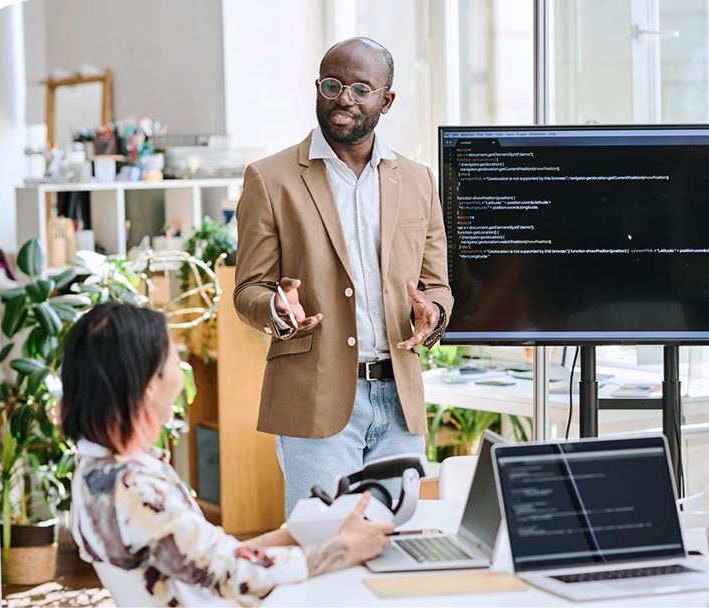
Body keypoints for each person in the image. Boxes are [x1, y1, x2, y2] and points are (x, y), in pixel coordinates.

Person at [234, 37, 453, 514]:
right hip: (315, 399)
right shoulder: (270, 179)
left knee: (397, 545)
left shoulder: (417, 180)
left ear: (386, 100)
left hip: (399, 401)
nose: (343, 100)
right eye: (331, 85)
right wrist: (276, 306)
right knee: (323, 549)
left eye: (360, 89)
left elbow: (437, 284)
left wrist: (432, 312)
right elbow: (247, 289)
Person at [62, 302, 393, 607]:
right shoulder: (136, 488)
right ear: (149, 384)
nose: (181, 369)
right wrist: (344, 549)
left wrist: (293, 536)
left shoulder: (96, 473)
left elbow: (209, 559)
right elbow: (231, 573)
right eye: (174, 357)